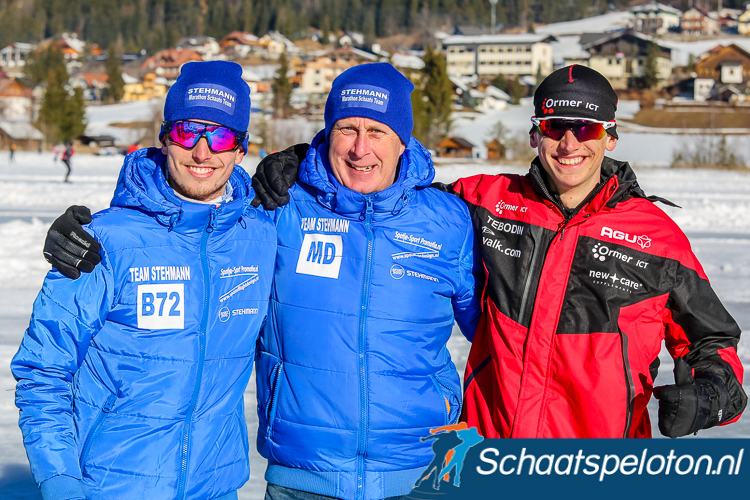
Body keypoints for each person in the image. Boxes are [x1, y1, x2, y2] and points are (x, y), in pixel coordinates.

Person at [41, 62, 480, 499]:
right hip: (302, 478)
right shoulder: (278, 210)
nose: (360, 148)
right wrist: (87, 232)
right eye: (347, 129)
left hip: (422, 473)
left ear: (403, 140)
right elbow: (184, 219)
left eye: (378, 132)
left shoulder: (449, 222)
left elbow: (498, 337)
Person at [242, 64, 747, 440]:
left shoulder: (656, 236)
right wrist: (306, 165)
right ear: (535, 133)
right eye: (554, 127)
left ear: (609, 137)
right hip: (491, 457)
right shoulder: (483, 201)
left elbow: (714, 339)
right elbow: (395, 194)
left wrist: (709, 395)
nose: (570, 143)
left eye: (587, 128)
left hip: (601, 463)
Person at [12, 60, 277, 500]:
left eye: (222, 135)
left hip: (215, 487)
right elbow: (43, 371)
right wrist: (59, 481)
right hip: (108, 488)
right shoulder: (104, 241)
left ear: (240, 149)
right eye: (188, 131)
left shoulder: (262, 237)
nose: (202, 151)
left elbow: (349, 197)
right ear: (165, 138)